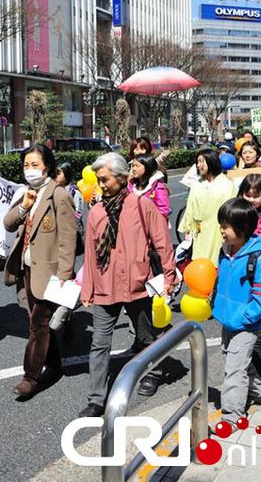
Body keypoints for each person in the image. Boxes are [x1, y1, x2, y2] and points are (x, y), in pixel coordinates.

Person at [78, 152, 177, 417]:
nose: (101, 184)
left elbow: (161, 241)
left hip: (137, 283)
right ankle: (96, 398)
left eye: (105, 179)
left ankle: (153, 373)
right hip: (104, 284)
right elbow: (89, 253)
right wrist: (87, 289)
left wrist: (169, 275)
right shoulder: (96, 211)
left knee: (145, 336)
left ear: (122, 178)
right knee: (99, 343)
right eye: (98, 180)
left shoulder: (141, 205)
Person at [3, 144, 76, 399]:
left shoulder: (59, 195)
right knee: (39, 323)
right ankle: (55, 364)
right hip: (27, 269)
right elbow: (8, 223)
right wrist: (23, 207)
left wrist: (65, 275)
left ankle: (30, 377)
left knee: (38, 324)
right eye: (26, 165)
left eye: (35, 164)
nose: (30, 170)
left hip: (50, 273)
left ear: (47, 166)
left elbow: (68, 239)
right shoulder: (27, 193)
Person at [212, 198, 261, 423]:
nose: (222, 230)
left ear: (243, 228)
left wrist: (247, 317)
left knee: (234, 369)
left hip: (247, 324)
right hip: (228, 321)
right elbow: (220, 281)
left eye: (226, 226)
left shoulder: (258, 257)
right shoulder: (226, 250)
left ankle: (232, 415)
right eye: (222, 224)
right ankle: (258, 390)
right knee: (235, 361)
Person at [178, 149, 235, 265]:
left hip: (218, 229)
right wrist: (187, 227)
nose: (198, 165)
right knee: (199, 261)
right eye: (197, 162)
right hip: (200, 231)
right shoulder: (197, 184)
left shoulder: (227, 185)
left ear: (212, 161)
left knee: (217, 261)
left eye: (201, 161)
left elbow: (231, 209)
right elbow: (190, 207)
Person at [128, 154, 170, 220]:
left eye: (137, 166)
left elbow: (163, 211)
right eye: (133, 166)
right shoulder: (131, 185)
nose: (134, 169)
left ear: (147, 167)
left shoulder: (157, 186)